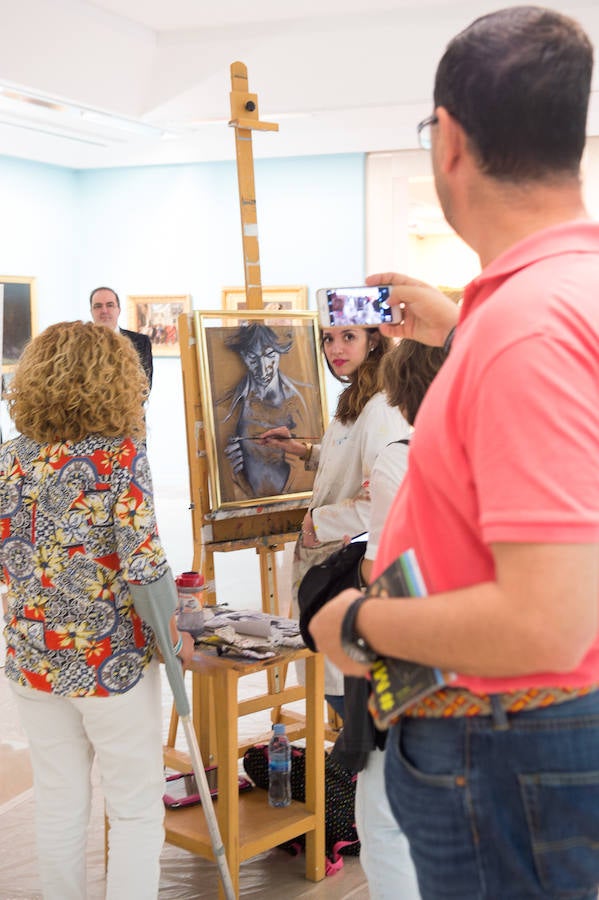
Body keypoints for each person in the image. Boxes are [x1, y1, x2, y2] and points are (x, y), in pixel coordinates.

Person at [309, 7, 599, 899]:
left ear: (450, 144)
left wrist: (354, 623)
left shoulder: (525, 328)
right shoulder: (560, 294)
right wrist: (463, 321)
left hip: (504, 744)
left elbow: (547, 618)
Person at [0, 321, 193, 899]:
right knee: (134, 810)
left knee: (60, 802)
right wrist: (174, 636)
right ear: (114, 381)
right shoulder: (119, 457)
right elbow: (146, 567)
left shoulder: (9, 459)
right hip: (111, 663)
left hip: (33, 657)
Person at [339, 339, 445, 900]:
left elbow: (381, 570)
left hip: (413, 643)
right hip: (494, 645)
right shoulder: (499, 445)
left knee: (382, 811)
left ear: (401, 393)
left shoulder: (401, 457)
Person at [260, 325, 410, 714]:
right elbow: (346, 460)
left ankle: (354, 769)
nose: (335, 348)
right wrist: (302, 450)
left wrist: (318, 524)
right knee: (333, 681)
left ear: (373, 339)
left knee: (346, 692)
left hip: (347, 564)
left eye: (348, 337)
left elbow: (380, 496)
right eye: (328, 339)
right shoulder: (357, 396)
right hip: (327, 562)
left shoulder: (381, 406)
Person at [222, 322, 313, 498]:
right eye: (252, 357)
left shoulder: (304, 399)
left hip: (297, 502)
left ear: (280, 352)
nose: (263, 368)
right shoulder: (227, 407)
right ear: (242, 355)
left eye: (270, 355)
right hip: (245, 502)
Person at [90, 286, 153, 390]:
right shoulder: (82, 344)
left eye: (110, 305)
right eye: (98, 306)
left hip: (130, 405)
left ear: (118, 310)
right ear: (91, 311)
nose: (104, 310)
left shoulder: (141, 342)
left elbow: (145, 384)